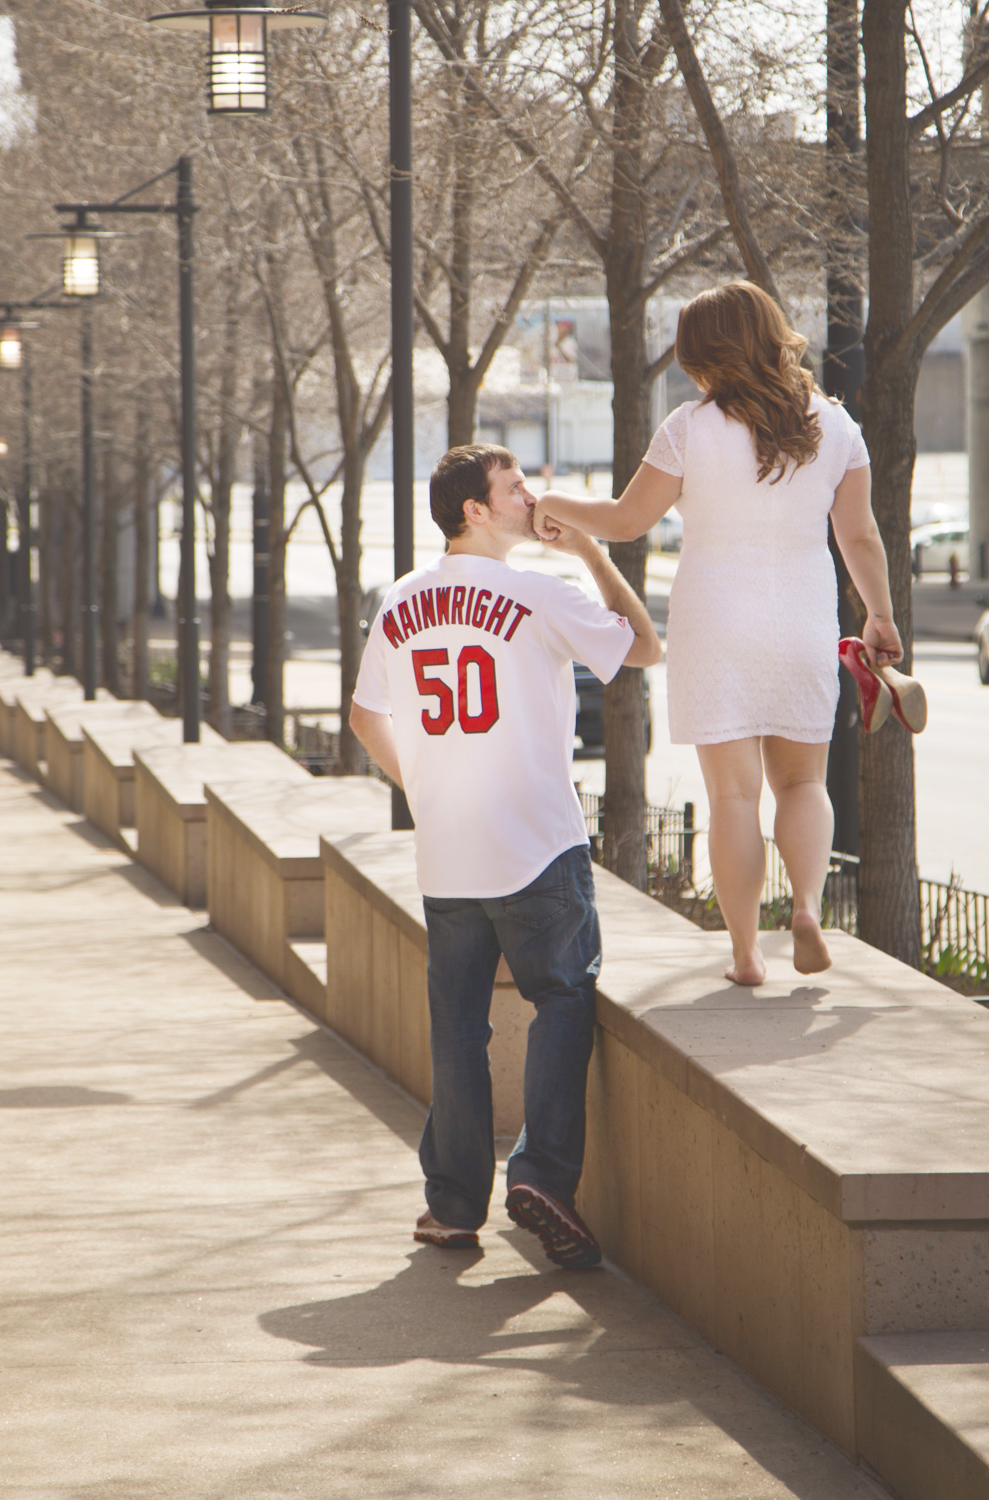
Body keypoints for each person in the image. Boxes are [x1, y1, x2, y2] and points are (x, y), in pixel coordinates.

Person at [533, 281, 903, 986]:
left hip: (712, 622)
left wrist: (550, 501)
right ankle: (805, 909)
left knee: (733, 797)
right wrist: (879, 615)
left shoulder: (689, 428)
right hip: (799, 618)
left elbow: (623, 521)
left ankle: (743, 954)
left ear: (701, 353)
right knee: (802, 783)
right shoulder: (835, 427)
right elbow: (858, 535)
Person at [350, 444, 662, 1267]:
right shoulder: (535, 590)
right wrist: (591, 548)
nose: (532, 496)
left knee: (457, 1029)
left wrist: (419, 784)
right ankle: (543, 1176)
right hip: (534, 842)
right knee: (562, 999)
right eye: (515, 487)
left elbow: (362, 715)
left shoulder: (399, 601)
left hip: (447, 850)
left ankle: (453, 1206)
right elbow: (643, 647)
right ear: (474, 511)